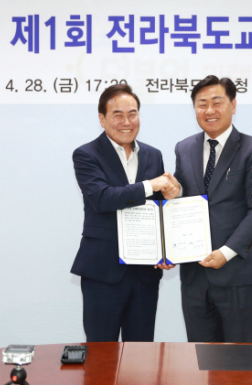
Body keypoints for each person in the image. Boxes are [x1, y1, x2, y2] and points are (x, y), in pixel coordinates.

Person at [165, 75, 252, 343]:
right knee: (200, 358)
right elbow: (182, 202)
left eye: (217, 102)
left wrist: (226, 253)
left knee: (240, 360)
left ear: (233, 105)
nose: (209, 110)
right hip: (194, 276)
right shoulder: (184, 148)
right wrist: (168, 247)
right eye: (202, 104)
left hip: (239, 275)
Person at [71, 83, 176, 342]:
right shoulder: (86, 154)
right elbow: (102, 198)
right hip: (103, 272)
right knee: (101, 353)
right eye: (117, 115)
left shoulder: (153, 155)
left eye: (132, 114)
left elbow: (158, 210)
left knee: (141, 354)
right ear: (102, 118)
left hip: (145, 273)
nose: (126, 122)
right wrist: (151, 186)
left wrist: (167, 251)